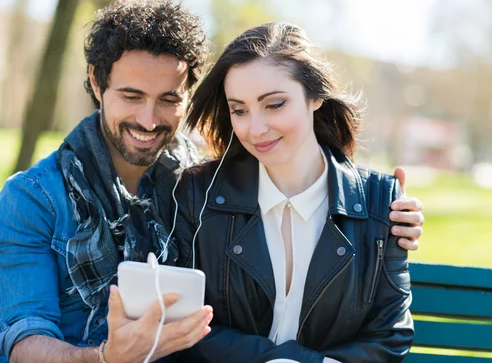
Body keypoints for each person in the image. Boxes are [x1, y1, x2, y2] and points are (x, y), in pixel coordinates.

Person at [0, 0, 422, 363]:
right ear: (97, 84)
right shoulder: (34, 199)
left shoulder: (199, 184)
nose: (147, 118)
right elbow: (23, 339)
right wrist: (104, 359)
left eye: (168, 99)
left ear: (189, 96)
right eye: (131, 96)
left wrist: (380, 209)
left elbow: (294, 164)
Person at [171, 21, 414, 362]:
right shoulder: (198, 194)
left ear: (314, 96)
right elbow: (183, 321)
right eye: (239, 110)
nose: (256, 128)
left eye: (274, 104)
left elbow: (390, 334)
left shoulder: (381, 201)